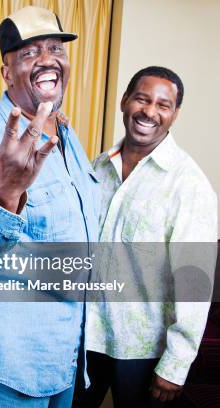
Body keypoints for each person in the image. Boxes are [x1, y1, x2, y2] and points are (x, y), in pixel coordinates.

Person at [0, 6, 100, 407]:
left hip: (63, 349)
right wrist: (6, 198)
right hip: (10, 356)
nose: (48, 58)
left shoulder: (66, 135)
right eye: (30, 53)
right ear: (7, 73)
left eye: (55, 48)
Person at [75, 66, 217, 407]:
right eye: (142, 98)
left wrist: (176, 364)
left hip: (143, 351)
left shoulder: (188, 184)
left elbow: (193, 282)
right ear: (125, 101)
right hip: (85, 340)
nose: (149, 112)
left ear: (175, 114)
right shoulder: (97, 168)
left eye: (162, 105)